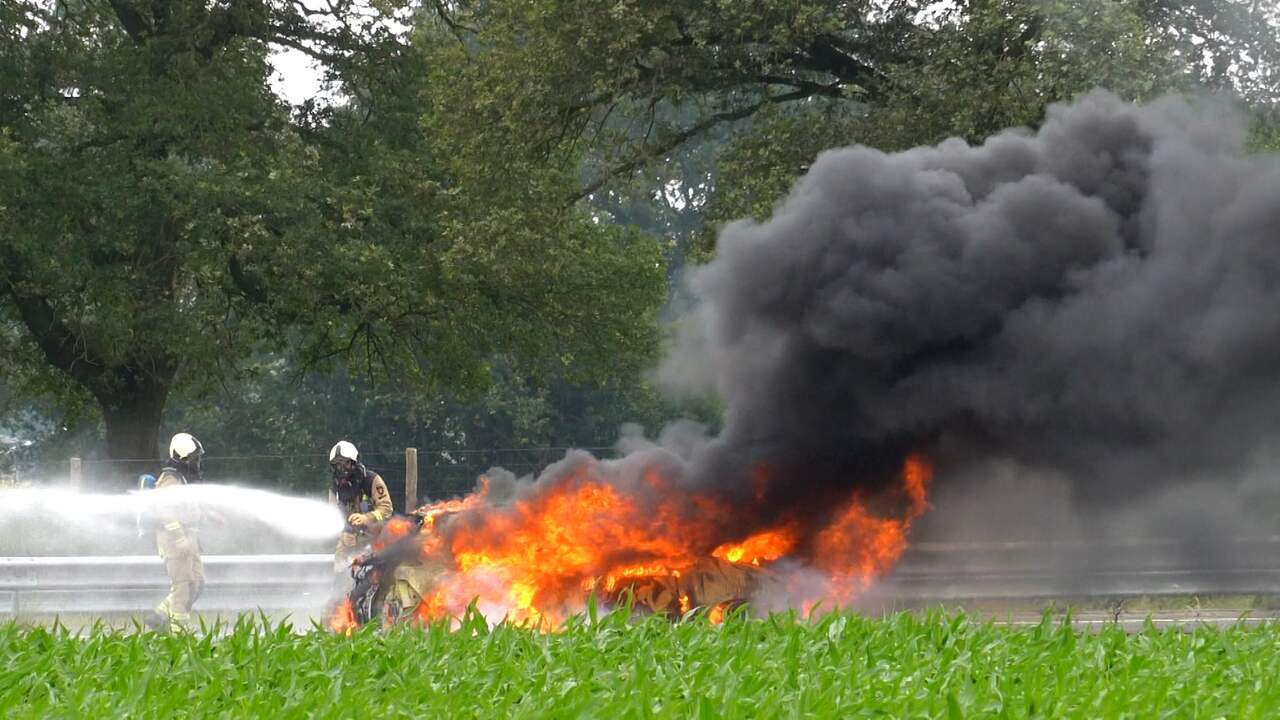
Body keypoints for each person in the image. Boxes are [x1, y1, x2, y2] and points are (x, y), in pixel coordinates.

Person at [146, 433, 208, 633]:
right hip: (174, 541)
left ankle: (158, 617)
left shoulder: (182, 479)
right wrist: (180, 538)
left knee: (197, 583)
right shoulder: (170, 480)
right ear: (182, 458)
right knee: (183, 588)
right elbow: (165, 512)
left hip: (189, 539)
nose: (197, 462)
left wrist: (210, 516)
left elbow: (189, 507)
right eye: (193, 458)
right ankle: (179, 635)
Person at [328, 440, 393, 574]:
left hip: (375, 538)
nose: (341, 469)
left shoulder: (371, 480)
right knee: (340, 574)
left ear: (354, 462)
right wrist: (343, 534)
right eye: (337, 465)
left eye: (345, 463)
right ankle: (340, 585)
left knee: (375, 578)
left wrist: (367, 518)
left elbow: (386, 508)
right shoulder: (335, 489)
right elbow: (332, 517)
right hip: (348, 541)